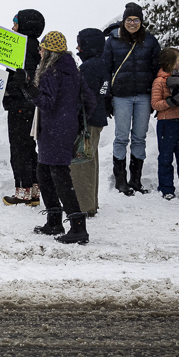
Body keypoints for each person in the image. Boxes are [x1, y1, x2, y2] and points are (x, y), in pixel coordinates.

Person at [31, 30, 88, 243]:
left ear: (48, 51)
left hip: (54, 128)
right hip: (65, 127)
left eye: (42, 48)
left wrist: (29, 89)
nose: (40, 51)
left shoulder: (50, 73)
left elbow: (46, 102)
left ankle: (78, 227)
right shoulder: (73, 71)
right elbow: (88, 99)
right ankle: (54, 220)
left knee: (59, 175)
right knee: (44, 171)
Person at [102, 3, 160, 197]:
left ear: (141, 22)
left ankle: (136, 179)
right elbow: (106, 70)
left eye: (136, 20)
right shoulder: (112, 41)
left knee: (139, 137)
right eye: (129, 20)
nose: (133, 23)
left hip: (143, 95)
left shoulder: (150, 41)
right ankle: (120, 180)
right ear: (123, 21)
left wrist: (155, 95)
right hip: (121, 96)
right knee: (121, 137)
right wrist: (107, 97)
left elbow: (156, 69)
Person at [0, 9, 46, 206]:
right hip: (32, 105)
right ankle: (34, 190)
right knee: (29, 148)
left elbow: (20, 79)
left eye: (16, 23)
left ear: (25, 26)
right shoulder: (38, 47)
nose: (12, 27)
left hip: (20, 104)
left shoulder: (21, 48)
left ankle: (22, 192)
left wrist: (6, 88)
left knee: (19, 149)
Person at [72, 27, 109, 217]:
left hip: (86, 121)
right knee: (89, 161)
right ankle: (90, 202)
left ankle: (83, 206)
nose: (77, 47)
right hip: (95, 119)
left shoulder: (89, 67)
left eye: (80, 43)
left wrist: (76, 118)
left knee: (81, 164)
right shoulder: (101, 63)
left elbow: (85, 97)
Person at [151, 46, 179, 200]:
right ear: (170, 63)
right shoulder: (159, 81)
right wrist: (172, 101)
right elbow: (155, 104)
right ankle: (166, 188)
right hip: (166, 123)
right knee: (165, 157)